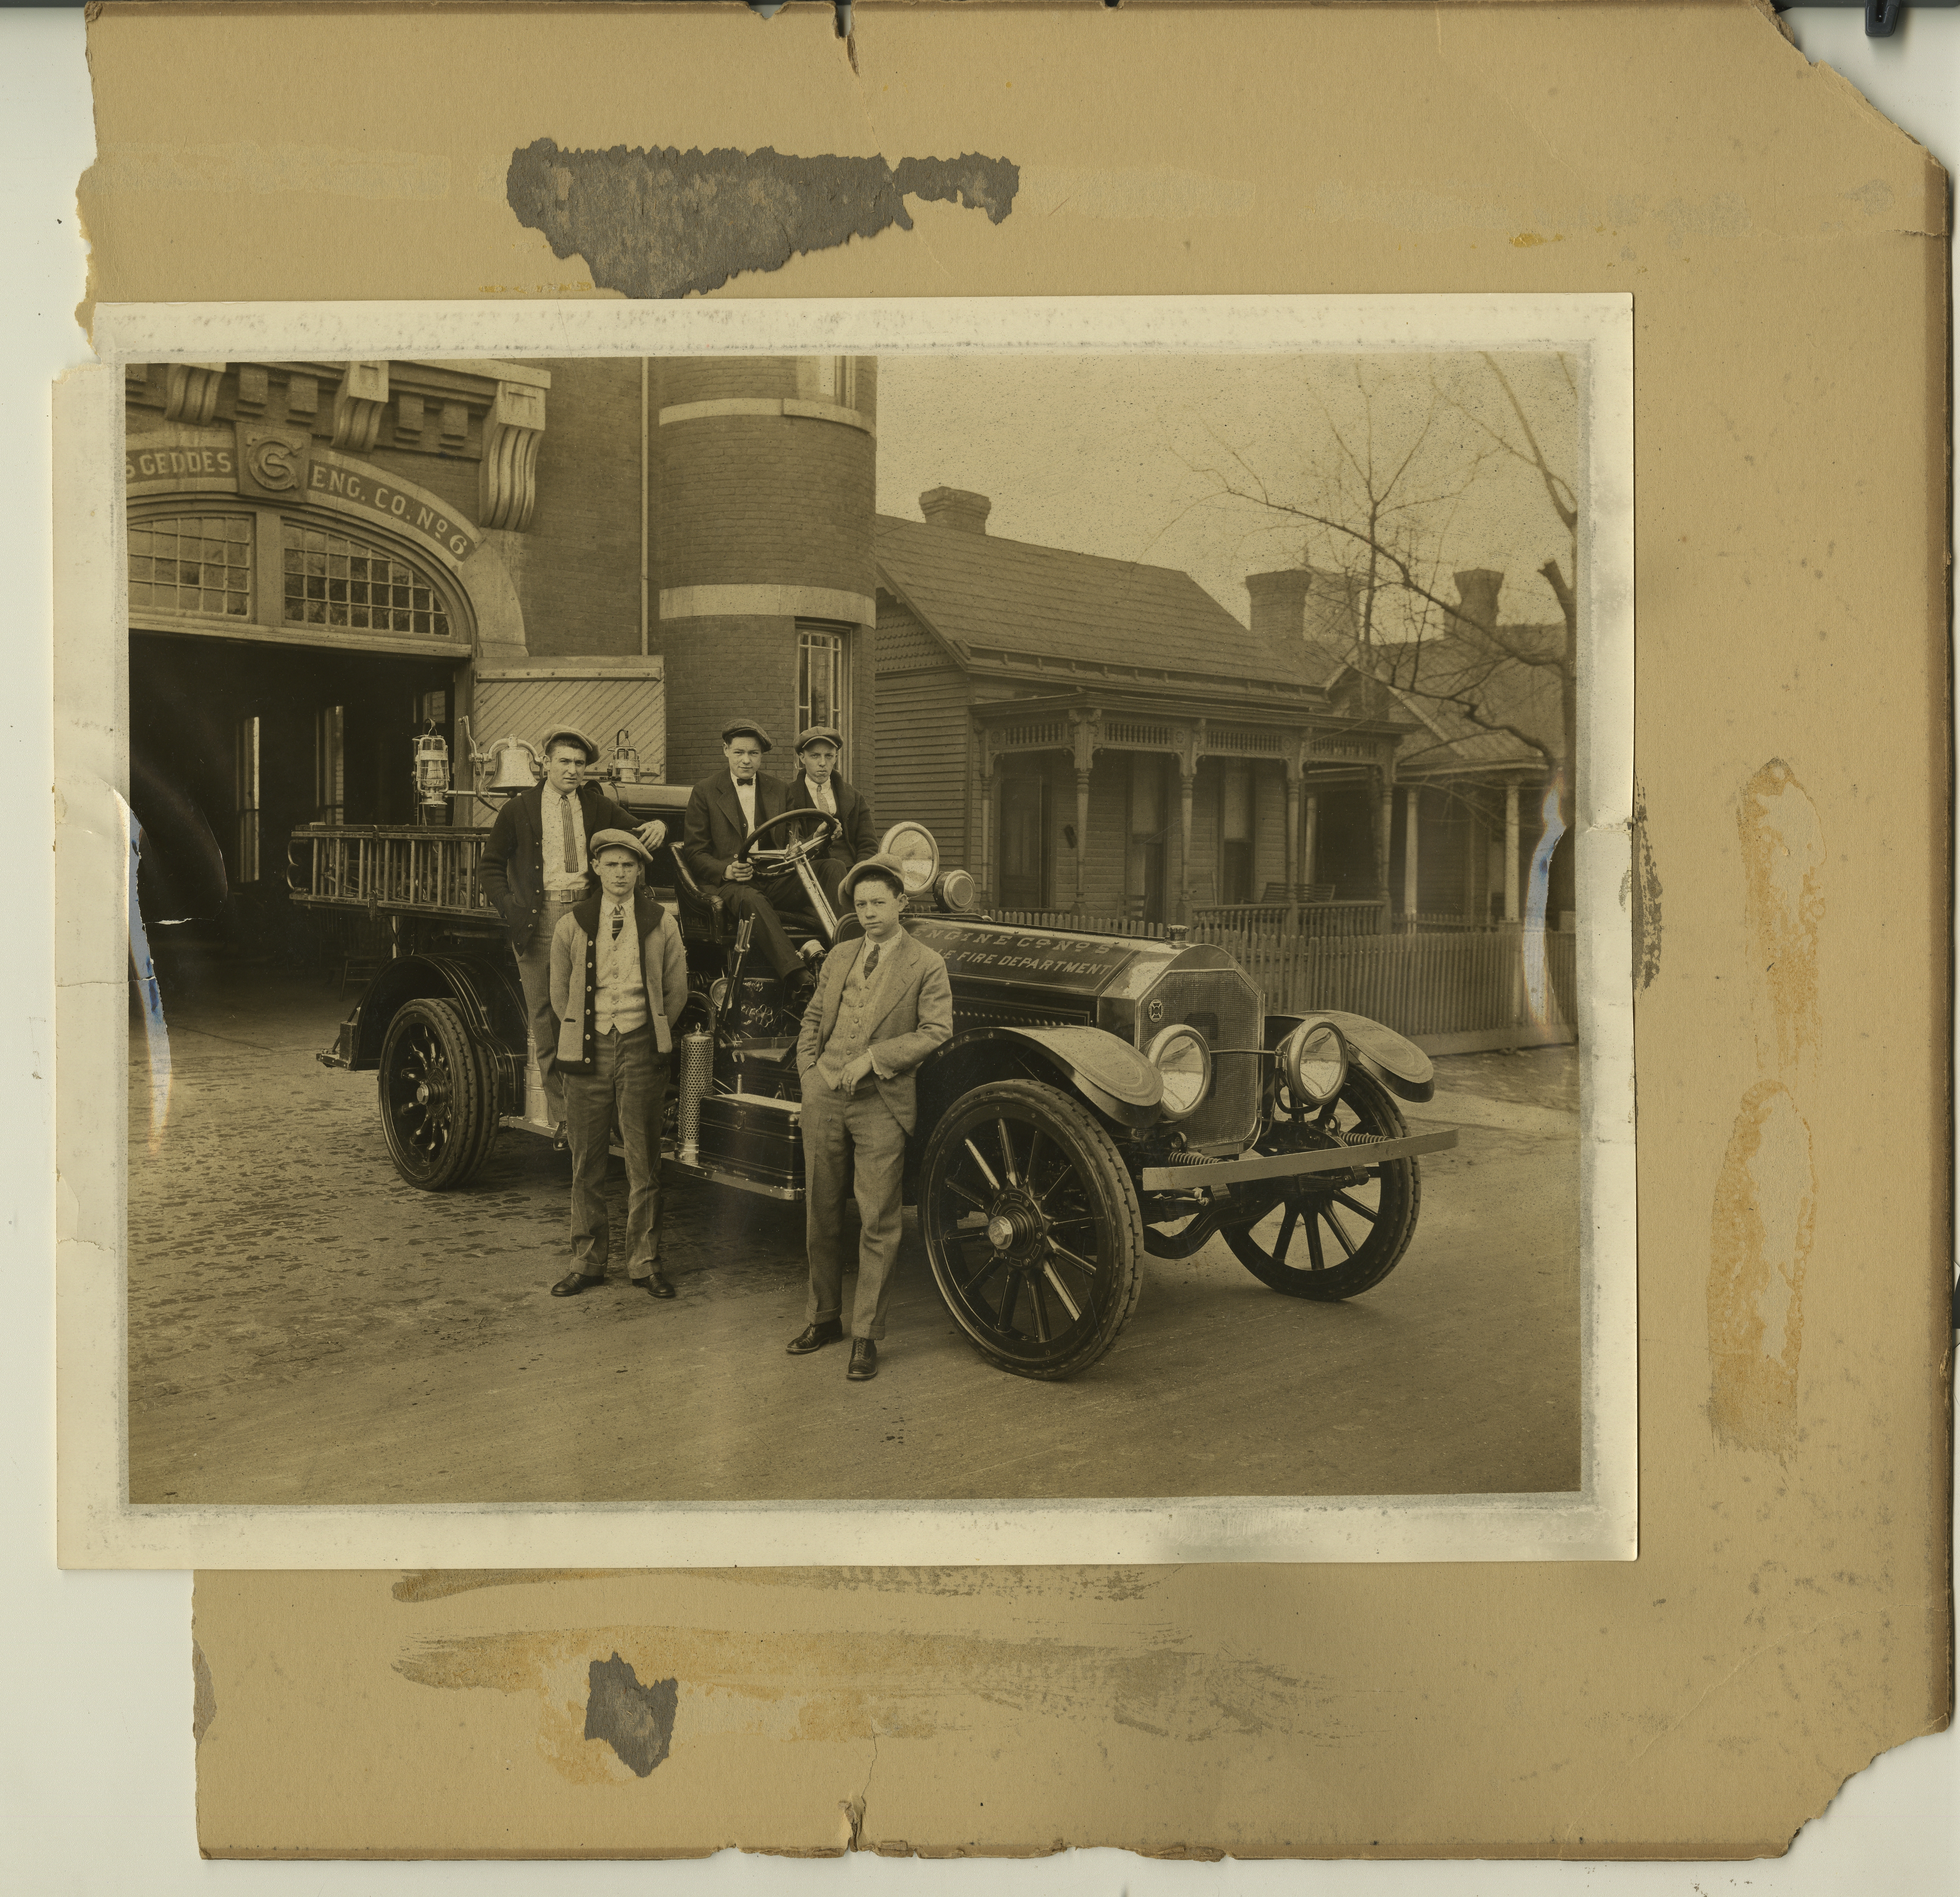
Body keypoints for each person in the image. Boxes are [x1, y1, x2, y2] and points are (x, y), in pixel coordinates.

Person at [786, 855, 953, 1381]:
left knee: (878, 1224)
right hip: (824, 1097)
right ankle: (823, 1318)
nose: (870, 913)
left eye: (879, 903)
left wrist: (874, 1060)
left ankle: (866, 1337)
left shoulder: (927, 963)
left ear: (902, 903)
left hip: (881, 1103)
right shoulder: (839, 955)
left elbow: (936, 1031)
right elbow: (813, 1016)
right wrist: (809, 1071)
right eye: (861, 906)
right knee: (822, 1215)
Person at [479, 725, 665, 1129]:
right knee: (546, 1014)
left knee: (597, 1006)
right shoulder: (519, 809)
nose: (572, 770)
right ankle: (565, 1116)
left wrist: (659, 827)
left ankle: (600, 1109)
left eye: (580, 764)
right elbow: (489, 865)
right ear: (545, 763)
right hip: (539, 918)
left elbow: (637, 831)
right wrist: (512, 908)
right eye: (564, 761)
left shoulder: (596, 806)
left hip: (587, 915)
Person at [546, 829, 690, 1300]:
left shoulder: (660, 922)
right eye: (612, 864)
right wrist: (586, 1030)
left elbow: (676, 990)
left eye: (629, 865)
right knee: (585, 1161)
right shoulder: (573, 923)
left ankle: (645, 1263)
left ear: (640, 870)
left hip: (642, 1048)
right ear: (597, 869)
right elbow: (559, 992)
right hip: (587, 1053)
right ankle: (587, 1263)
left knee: (643, 1163)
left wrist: (647, 1030)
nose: (621, 873)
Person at [679, 719, 824, 995]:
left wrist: (817, 836)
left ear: (761, 756)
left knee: (831, 868)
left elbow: (795, 845)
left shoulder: (780, 790)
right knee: (752, 898)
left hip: (776, 877)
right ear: (726, 750)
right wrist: (728, 870)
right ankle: (797, 975)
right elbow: (695, 853)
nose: (746, 761)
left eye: (754, 754)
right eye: (739, 753)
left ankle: (848, 950)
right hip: (732, 885)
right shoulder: (705, 791)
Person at [784, 724, 878, 913]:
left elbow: (868, 845)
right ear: (802, 758)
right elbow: (789, 849)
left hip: (853, 876)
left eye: (829, 756)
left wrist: (857, 878)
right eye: (815, 756)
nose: (822, 763)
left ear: (836, 757)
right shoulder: (787, 797)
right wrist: (817, 839)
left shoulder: (854, 797)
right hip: (812, 878)